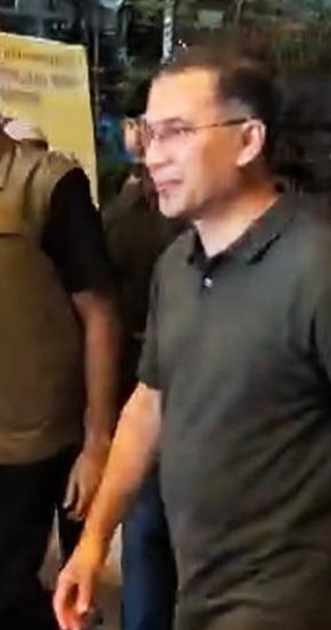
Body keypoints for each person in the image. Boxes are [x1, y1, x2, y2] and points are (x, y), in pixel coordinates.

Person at [53, 48, 331, 630]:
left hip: (286, 600)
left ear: (249, 140)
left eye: (177, 133)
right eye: (148, 134)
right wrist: (93, 542)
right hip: (195, 584)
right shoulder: (176, 265)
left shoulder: (327, 269)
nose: (154, 155)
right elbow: (149, 405)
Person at [0, 121, 120, 630]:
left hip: (33, 439)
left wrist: (98, 443)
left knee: (8, 590)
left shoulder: (48, 185)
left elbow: (101, 315)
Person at [101, 83, 185, 630]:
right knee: (151, 530)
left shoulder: (123, 216)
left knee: (149, 532)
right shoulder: (134, 219)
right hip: (150, 382)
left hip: (151, 380)